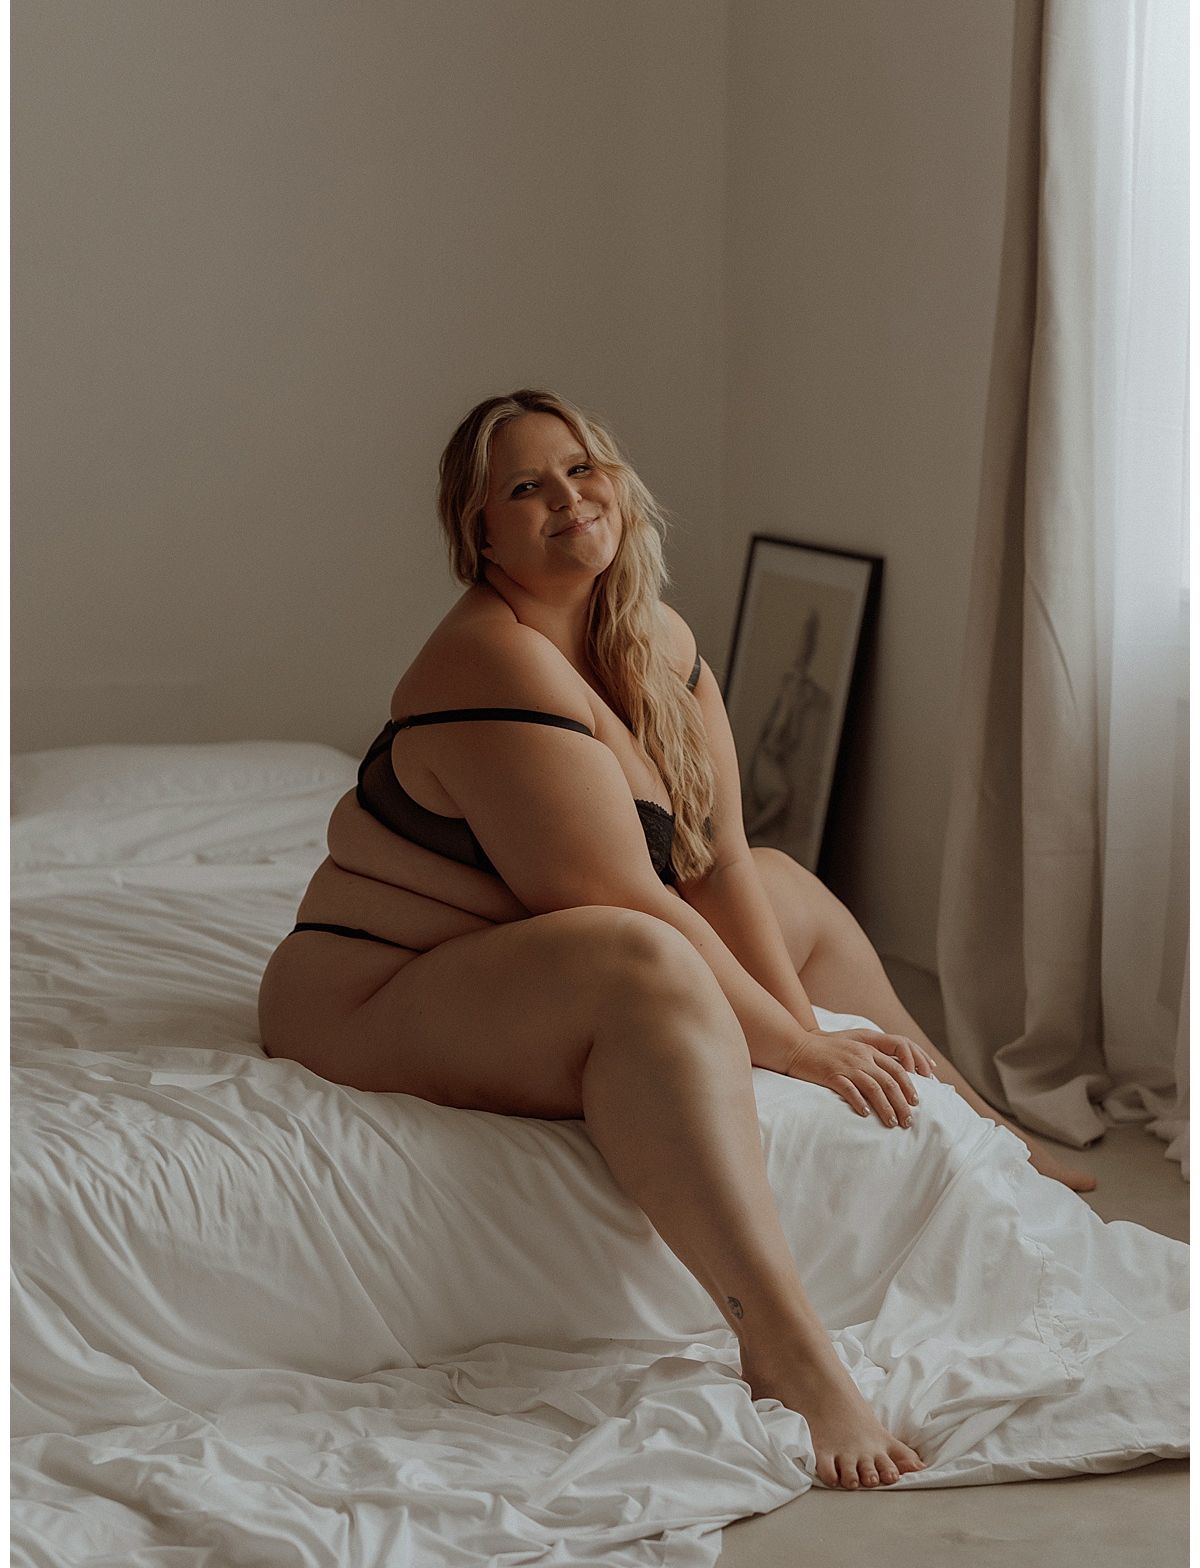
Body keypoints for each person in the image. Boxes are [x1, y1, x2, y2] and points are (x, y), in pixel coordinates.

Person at [259, 388, 1095, 1493]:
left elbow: (716, 865)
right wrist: (796, 1052)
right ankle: (788, 1348)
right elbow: (628, 903)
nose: (566, 497)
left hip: (511, 959)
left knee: (793, 892)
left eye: (582, 468)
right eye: (526, 486)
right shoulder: (488, 659)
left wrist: (800, 1023)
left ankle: (993, 1134)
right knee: (640, 959)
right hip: (367, 992)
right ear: (481, 533)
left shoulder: (654, 639)